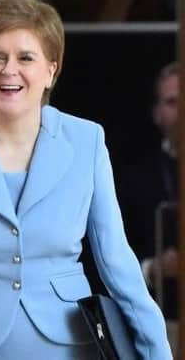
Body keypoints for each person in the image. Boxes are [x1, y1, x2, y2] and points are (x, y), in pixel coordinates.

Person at [0, 0, 171, 359]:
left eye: (26, 57)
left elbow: (117, 263)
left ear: (51, 70)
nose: (9, 70)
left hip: (69, 346)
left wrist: (157, 352)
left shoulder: (87, 141)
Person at [117, 62, 180, 355]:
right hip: (162, 321)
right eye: (172, 102)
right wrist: (154, 268)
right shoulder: (135, 178)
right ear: (156, 114)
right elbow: (113, 258)